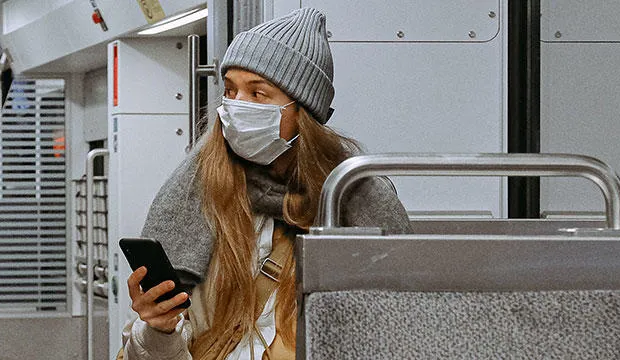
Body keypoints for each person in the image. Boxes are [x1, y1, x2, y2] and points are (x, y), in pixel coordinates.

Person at [121, 8, 410, 360]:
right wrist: (157, 329)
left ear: (302, 112)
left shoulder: (353, 204)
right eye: (230, 91)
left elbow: (393, 332)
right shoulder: (198, 195)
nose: (236, 105)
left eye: (258, 94)